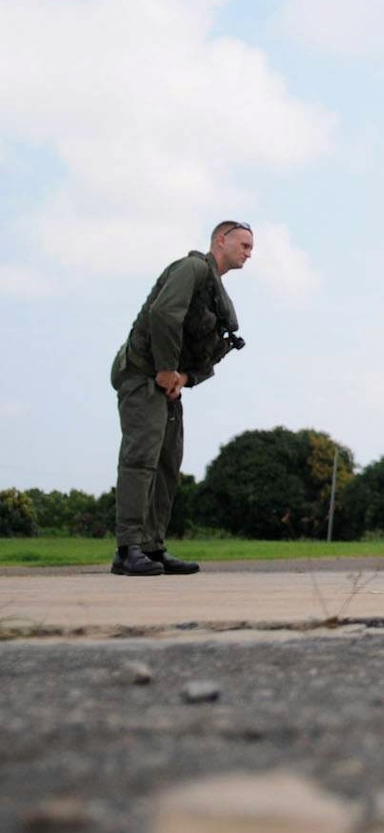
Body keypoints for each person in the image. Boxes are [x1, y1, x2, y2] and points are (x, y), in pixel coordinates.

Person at [110, 221, 252, 576]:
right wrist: (165, 369)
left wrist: (184, 377)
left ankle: (152, 547)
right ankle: (127, 549)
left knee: (167, 463)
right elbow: (164, 314)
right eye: (244, 245)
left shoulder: (217, 294)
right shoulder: (191, 268)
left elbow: (210, 351)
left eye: (251, 248)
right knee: (141, 458)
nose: (249, 253)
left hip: (168, 384)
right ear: (221, 240)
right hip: (143, 374)